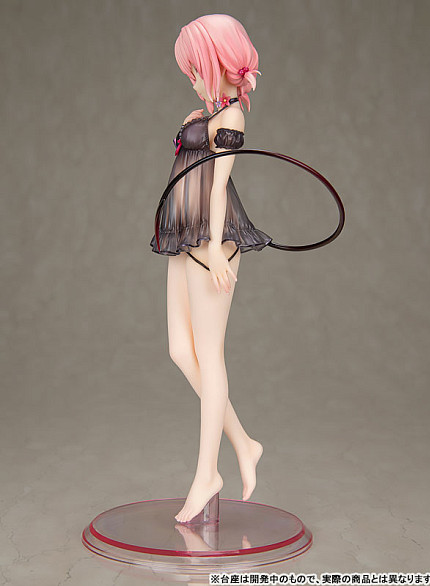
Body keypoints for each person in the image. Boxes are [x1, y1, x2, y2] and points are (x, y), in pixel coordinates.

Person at [149, 14, 272, 523]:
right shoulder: (201, 113)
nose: (193, 79)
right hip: (182, 236)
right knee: (180, 350)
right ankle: (243, 442)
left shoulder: (232, 119)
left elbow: (218, 186)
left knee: (210, 354)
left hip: (213, 242)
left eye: (197, 68)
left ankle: (207, 474)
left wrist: (219, 250)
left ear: (219, 61)